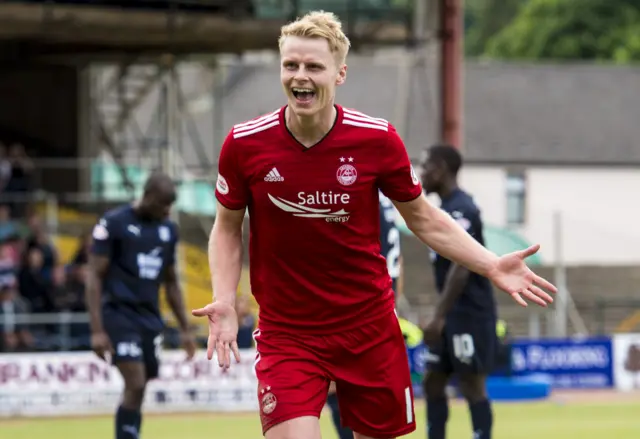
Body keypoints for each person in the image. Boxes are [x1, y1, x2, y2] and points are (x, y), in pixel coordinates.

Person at [192, 11, 555, 439]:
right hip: (288, 334)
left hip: (368, 329)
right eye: (291, 65)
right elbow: (227, 227)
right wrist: (224, 300)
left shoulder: (377, 140)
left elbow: (423, 218)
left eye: (313, 66)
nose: (300, 76)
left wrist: (490, 263)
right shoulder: (244, 144)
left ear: (339, 73)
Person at [86, 172, 196, 439]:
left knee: (142, 385)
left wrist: (185, 328)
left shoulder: (168, 230)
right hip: (119, 313)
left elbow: (171, 283)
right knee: (134, 383)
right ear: (146, 197)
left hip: (150, 317)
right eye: (162, 204)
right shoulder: (114, 223)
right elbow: (94, 277)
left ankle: (128, 432)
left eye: (170, 205)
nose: (167, 210)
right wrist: (97, 330)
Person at [420, 144, 499, 439]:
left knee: (471, 383)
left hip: (470, 315)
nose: (421, 174)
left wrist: (438, 317)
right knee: (432, 381)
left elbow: (461, 266)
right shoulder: (440, 211)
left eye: (425, 166)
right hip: (449, 313)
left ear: (441, 168)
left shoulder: (463, 208)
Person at [326, 189, 403, 439]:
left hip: (360, 304)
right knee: (367, 394)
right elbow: (397, 261)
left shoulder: (356, 194)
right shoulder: (387, 203)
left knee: (339, 387)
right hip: (383, 303)